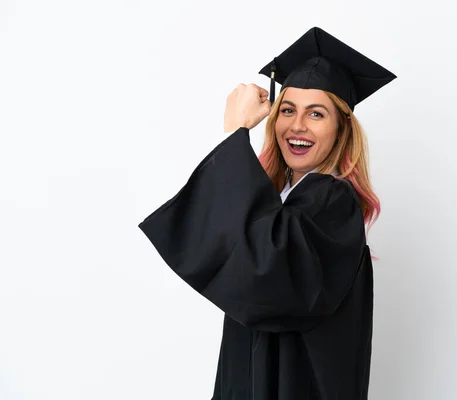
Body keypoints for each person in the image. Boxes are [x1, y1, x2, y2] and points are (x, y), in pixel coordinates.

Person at [138, 27, 396, 399]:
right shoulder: (277, 198)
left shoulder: (333, 202)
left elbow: (266, 271)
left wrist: (234, 135)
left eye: (317, 113)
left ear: (341, 130)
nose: (297, 125)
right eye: (287, 110)